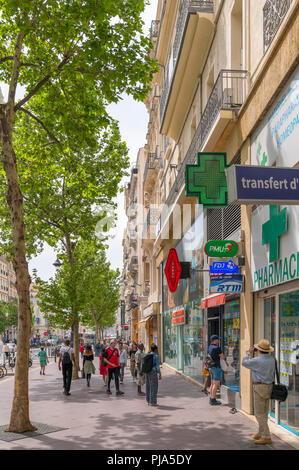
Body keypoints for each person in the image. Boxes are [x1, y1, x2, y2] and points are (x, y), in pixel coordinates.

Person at [242, 339, 275, 445]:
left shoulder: (257, 360)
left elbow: (244, 363)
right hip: (269, 386)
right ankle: (260, 432)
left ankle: (266, 436)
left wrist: (248, 353)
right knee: (264, 412)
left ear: (259, 350)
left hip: (259, 387)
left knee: (258, 413)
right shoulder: (272, 359)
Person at [208, 335, 227, 406]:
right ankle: (213, 399)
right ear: (215, 340)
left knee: (212, 383)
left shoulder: (210, 347)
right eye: (218, 339)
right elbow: (222, 356)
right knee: (216, 384)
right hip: (216, 367)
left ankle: (211, 397)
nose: (218, 341)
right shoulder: (217, 348)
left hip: (211, 367)